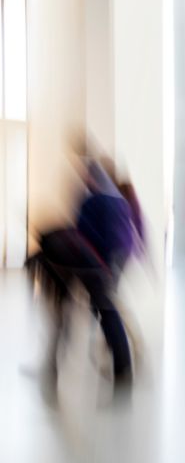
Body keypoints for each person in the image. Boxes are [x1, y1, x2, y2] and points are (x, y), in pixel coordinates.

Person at [28, 158, 136, 391]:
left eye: (87, 175)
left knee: (87, 314)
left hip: (89, 265)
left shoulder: (94, 201)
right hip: (98, 265)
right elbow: (122, 238)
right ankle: (122, 368)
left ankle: (53, 367)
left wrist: (102, 264)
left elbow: (83, 234)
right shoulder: (118, 200)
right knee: (107, 313)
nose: (84, 179)